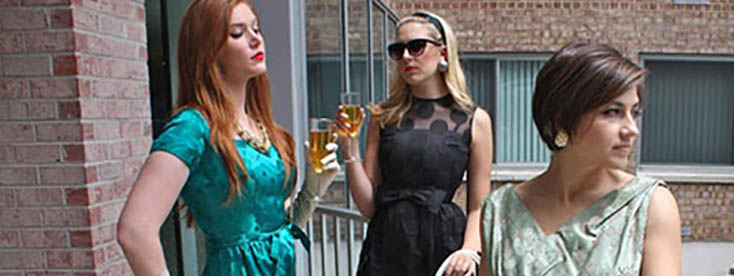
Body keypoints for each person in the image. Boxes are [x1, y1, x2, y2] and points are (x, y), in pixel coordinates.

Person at [117, 0, 337, 275]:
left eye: (256, 28)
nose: (256, 39)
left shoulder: (263, 127)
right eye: (237, 33)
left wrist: (312, 191)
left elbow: (273, 228)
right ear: (208, 50)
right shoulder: (193, 126)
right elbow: (135, 230)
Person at [480, 43, 682, 276]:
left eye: (634, 112)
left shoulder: (649, 205)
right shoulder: (500, 211)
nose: (631, 129)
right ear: (561, 119)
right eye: (612, 112)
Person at [334, 11, 493, 276]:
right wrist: (350, 150)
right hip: (387, 247)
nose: (407, 56)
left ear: (443, 53)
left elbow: (478, 205)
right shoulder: (382, 116)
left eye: (416, 47)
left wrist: (468, 251)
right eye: (399, 50)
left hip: (444, 247)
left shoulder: (475, 120)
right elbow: (368, 206)